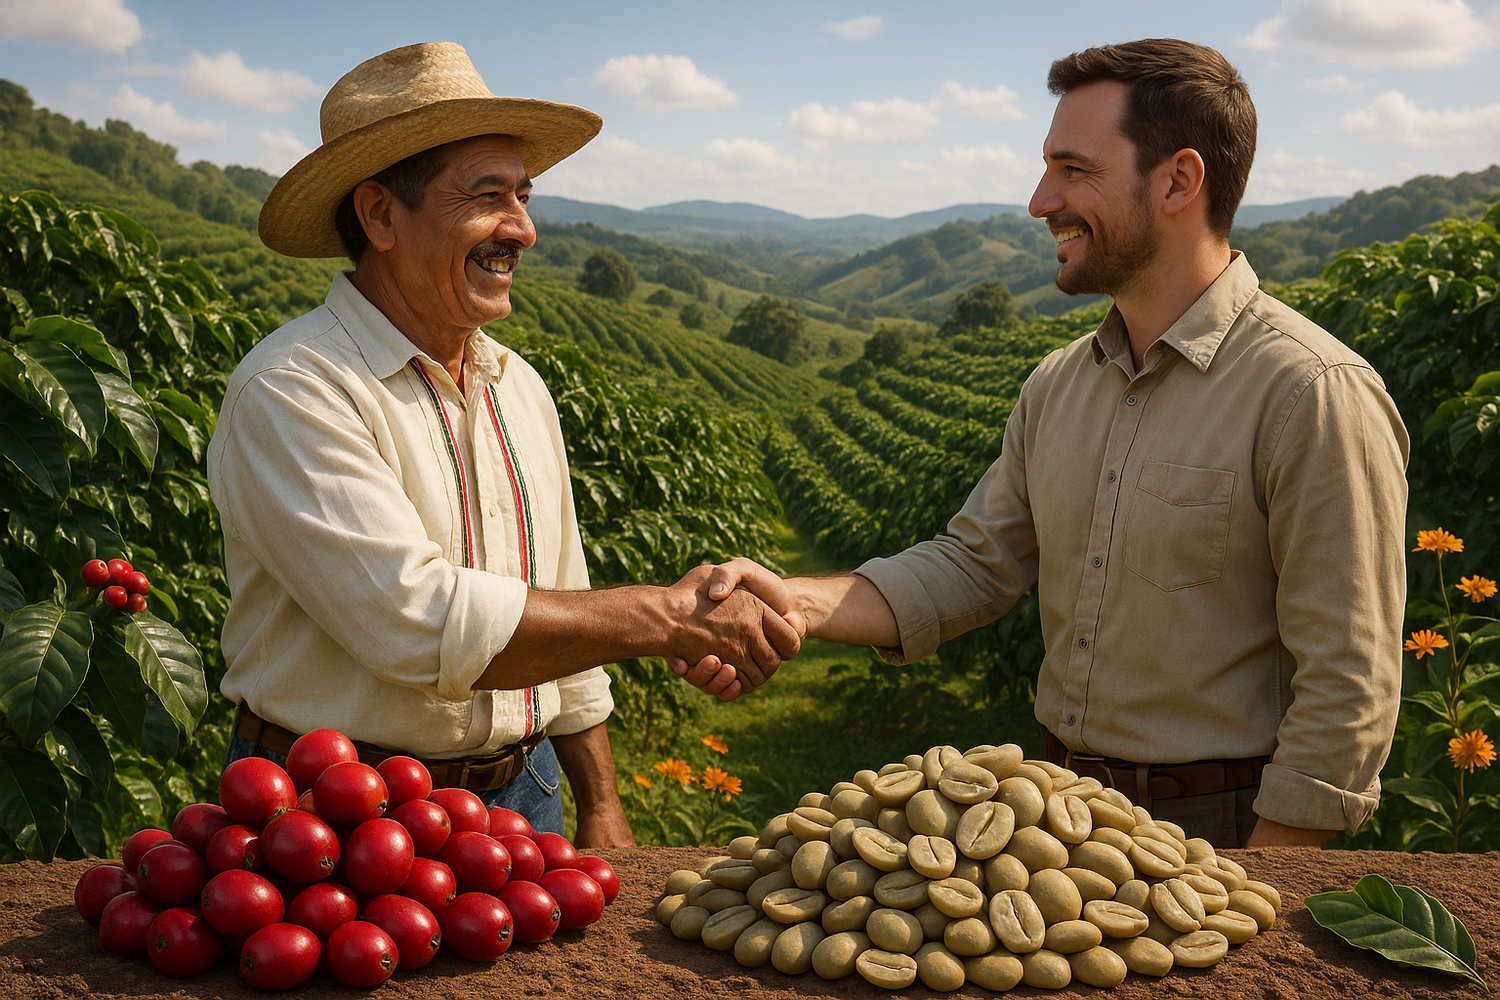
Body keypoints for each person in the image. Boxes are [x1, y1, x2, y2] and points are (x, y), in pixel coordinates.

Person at [686, 38, 1409, 849]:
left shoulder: (1310, 392)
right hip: (1057, 821)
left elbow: (1350, 684)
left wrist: (1271, 879)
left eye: (1075, 170)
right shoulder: (1058, 384)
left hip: (1225, 830)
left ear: (1178, 180)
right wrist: (797, 601)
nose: (1040, 200)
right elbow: (974, 563)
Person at [207, 42, 797, 847]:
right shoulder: (296, 389)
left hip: (525, 794)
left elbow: (562, 595)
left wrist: (601, 804)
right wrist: (669, 617)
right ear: (379, 214)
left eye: (523, 196)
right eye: (488, 198)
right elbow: (414, 623)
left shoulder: (517, 385)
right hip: (336, 815)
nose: (521, 229)